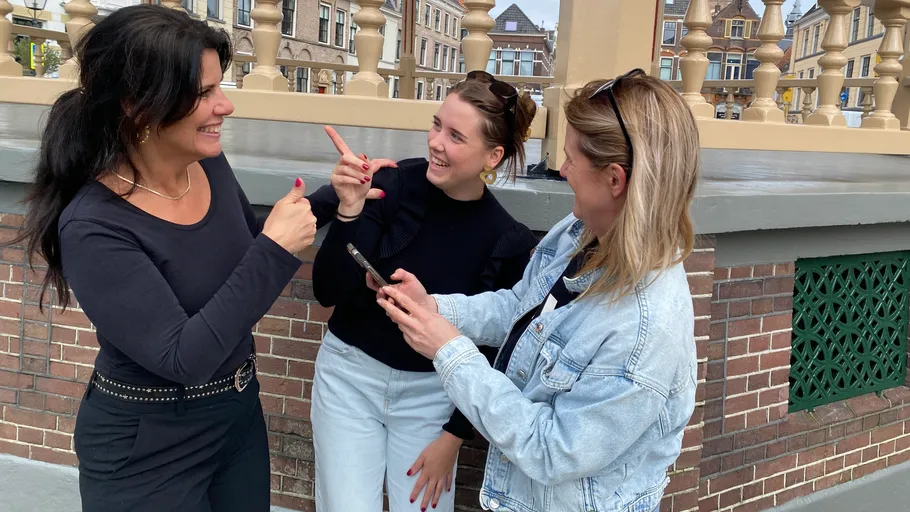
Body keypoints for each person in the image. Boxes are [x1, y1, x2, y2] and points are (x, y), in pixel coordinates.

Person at [10, 6, 317, 511]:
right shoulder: (94, 226)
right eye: (204, 93)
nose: (225, 106)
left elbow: (248, 249)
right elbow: (183, 358)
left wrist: (334, 200)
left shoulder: (206, 165)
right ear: (138, 106)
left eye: (221, 87)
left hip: (236, 418)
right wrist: (275, 250)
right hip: (147, 447)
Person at [376, 70, 700, 512]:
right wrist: (435, 307)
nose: (561, 170)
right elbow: (520, 305)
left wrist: (449, 351)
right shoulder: (580, 232)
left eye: (570, 159)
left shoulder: (644, 328)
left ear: (615, 180)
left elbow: (553, 449)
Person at [305, 71, 540, 512]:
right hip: (349, 378)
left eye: (455, 136)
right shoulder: (393, 183)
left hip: (433, 397)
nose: (436, 142)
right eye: (436, 125)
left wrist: (454, 437)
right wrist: (350, 211)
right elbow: (326, 290)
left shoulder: (504, 237)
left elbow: (495, 350)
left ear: (493, 155)